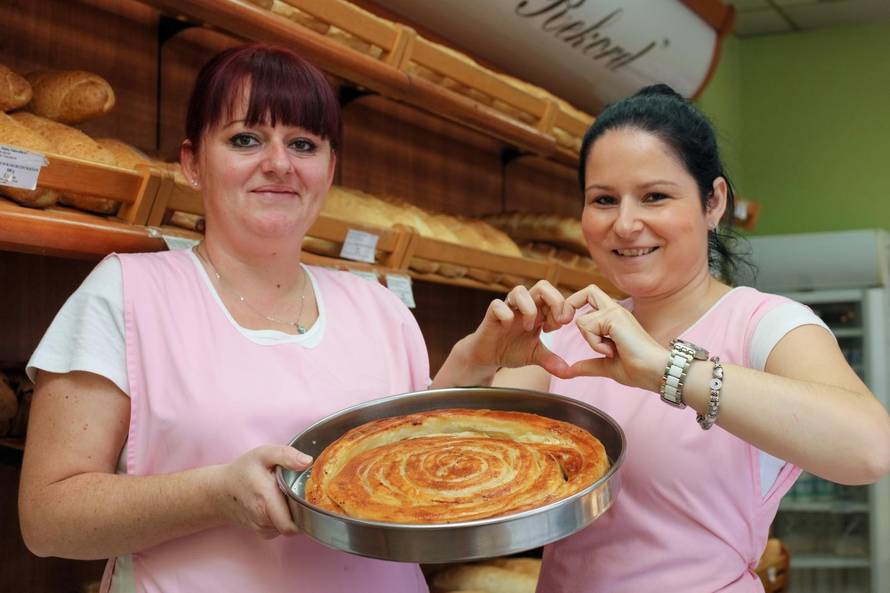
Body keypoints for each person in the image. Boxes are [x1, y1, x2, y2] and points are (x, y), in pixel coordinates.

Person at [433, 84, 890, 592]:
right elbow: (436, 475)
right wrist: (474, 359)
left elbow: (868, 449)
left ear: (713, 202)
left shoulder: (764, 325)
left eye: (654, 196)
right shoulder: (570, 336)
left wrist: (664, 370)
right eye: (604, 200)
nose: (626, 224)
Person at [19, 44, 431, 593]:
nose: (279, 163)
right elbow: (47, 519)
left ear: (329, 169)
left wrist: (481, 368)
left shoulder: (379, 309)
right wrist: (214, 495)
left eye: (303, 144)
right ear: (192, 163)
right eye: (245, 139)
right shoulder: (128, 293)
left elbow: (417, 468)